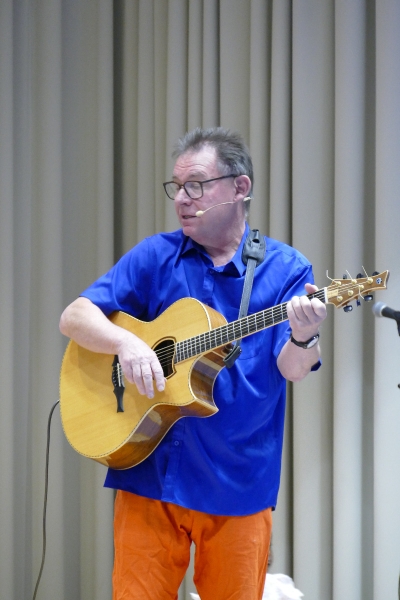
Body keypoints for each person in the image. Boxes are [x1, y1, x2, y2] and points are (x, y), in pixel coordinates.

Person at [59, 127, 327, 600]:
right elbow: (74, 316)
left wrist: (305, 334)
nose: (182, 199)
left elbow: (293, 369)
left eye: (196, 185)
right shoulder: (155, 256)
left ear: (240, 187)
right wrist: (127, 344)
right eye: (177, 187)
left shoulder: (287, 269)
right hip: (152, 470)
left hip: (237, 480)